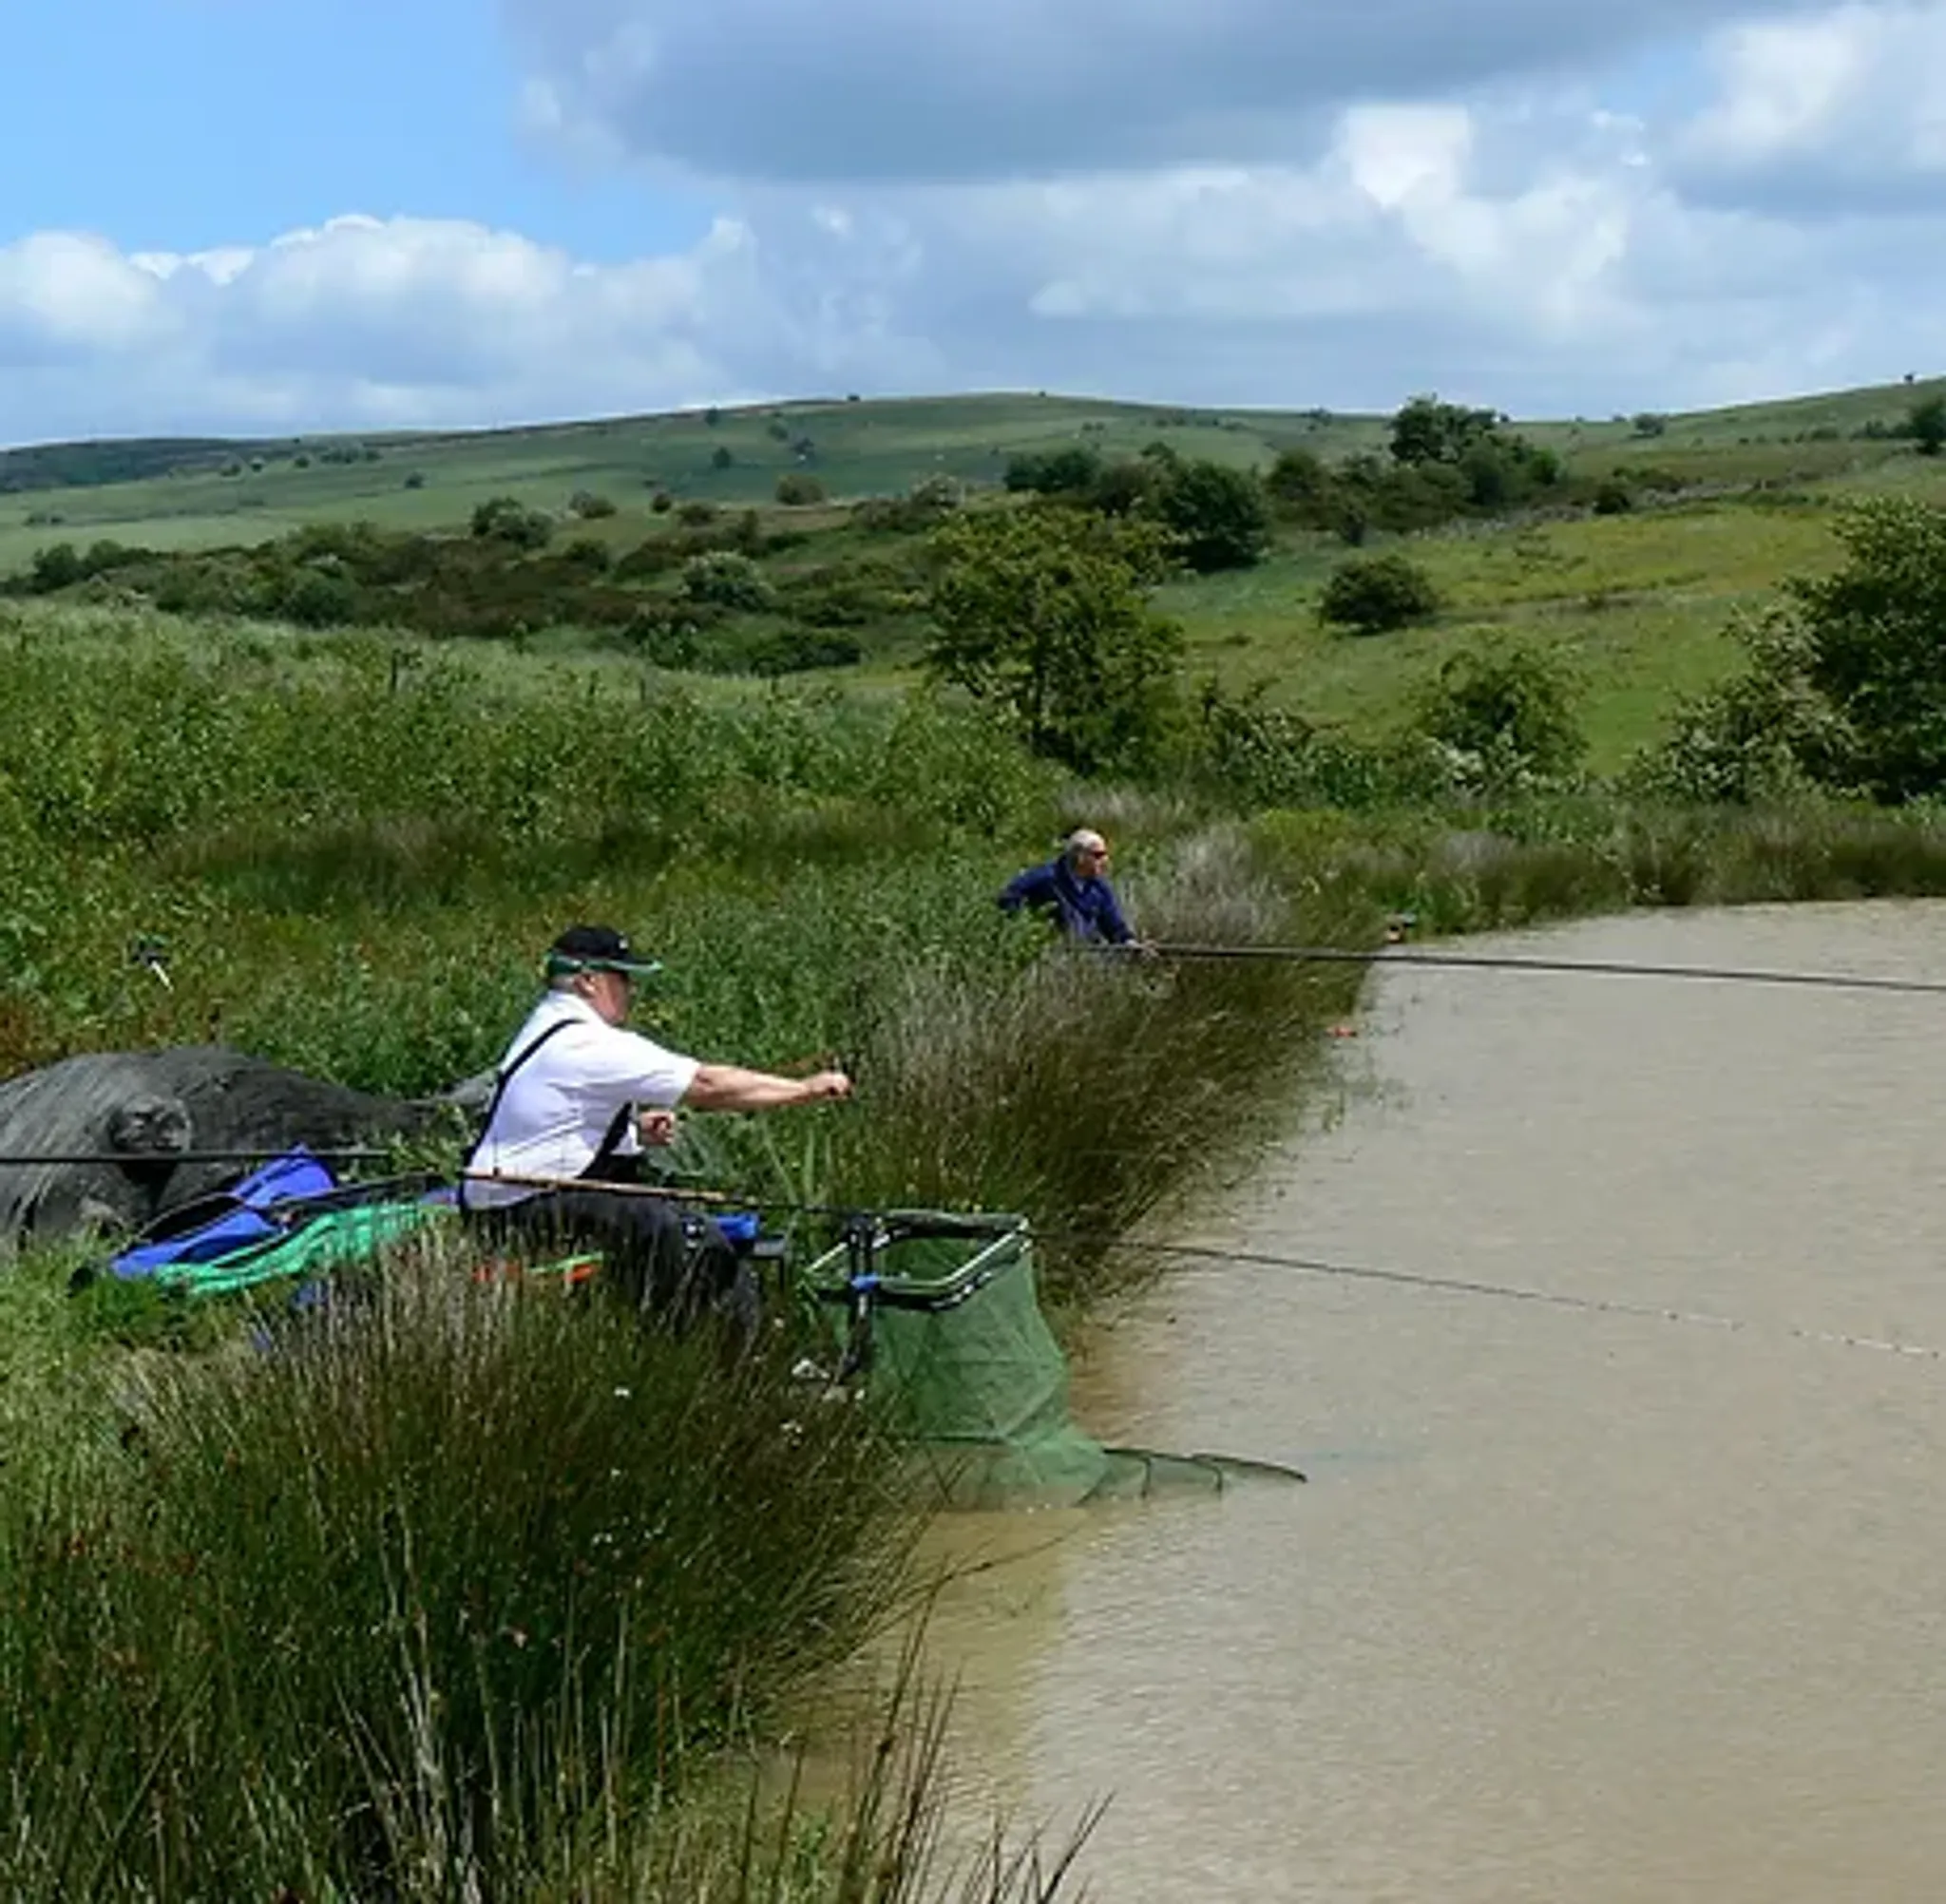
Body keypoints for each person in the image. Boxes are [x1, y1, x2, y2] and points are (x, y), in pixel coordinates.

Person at [459, 923, 850, 1338]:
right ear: (588, 981)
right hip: (523, 1207)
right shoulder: (585, 1043)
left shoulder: (546, 1026)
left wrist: (631, 1133)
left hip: (509, 1202)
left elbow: (555, 1124)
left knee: (654, 1216)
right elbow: (707, 1086)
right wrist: (804, 1090)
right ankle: (721, 1359)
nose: (631, 990)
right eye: (622, 978)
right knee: (685, 1234)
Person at [998, 828, 1139, 947]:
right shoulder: (1045, 878)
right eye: (1098, 855)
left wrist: (1130, 943)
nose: (1105, 861)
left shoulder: (1100, 888)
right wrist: (1028, 934)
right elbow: (1008, 898)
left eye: (1105, 855)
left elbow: (1115, 927)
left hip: (1084, 957)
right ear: (1080, 856)